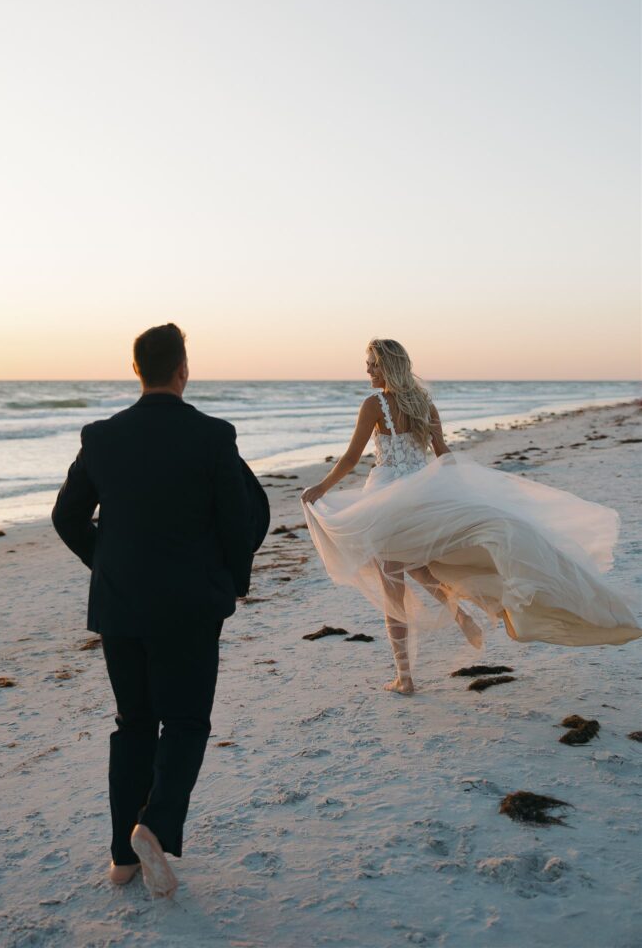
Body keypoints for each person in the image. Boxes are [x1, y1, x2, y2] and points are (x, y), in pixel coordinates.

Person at [52, 323, 269, 895]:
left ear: (136, 370)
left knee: (134, 724)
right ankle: (155, 824)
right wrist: (233, 585)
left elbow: (66, 518)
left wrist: (107, 562)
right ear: (183, 371)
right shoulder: (212, 435)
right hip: (191, 605)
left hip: (121, 605)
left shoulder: (101, 436)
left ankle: (123, 858)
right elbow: (237, 520)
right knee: (187, 721)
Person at [301, 338, 641, 695]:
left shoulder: (374, 404)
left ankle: (405, 677)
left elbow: (352, 458)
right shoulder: (424, 403)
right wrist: (461, 490)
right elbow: (443, 454)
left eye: (372, 363)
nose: (367, 370)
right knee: (418, 564)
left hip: (387, 497)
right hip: (425, 493)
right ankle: (459, 616)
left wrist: (321, 488)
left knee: (393, 588)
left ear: (388, 366)